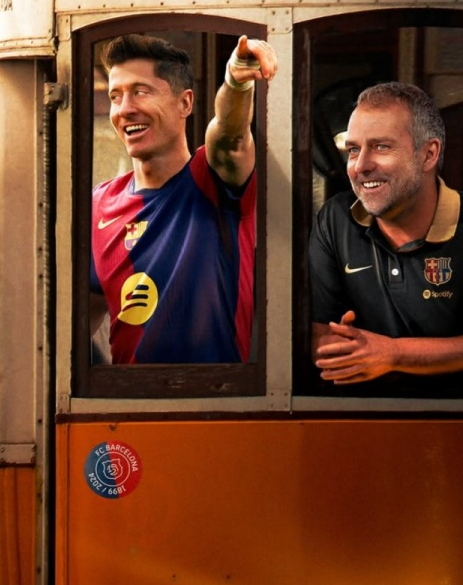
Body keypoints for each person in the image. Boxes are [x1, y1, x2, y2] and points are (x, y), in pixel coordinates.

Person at [90, 32, 277, 363]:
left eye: (140, 92)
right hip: (126, 395)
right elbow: (78, 324)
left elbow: (230, 134)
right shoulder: (99, 205)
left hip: (219, 393)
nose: (125, 109)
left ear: (185, 103)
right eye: (116, 96)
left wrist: (236, 82)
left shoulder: (212, 177)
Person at [310, 82, 463, 395]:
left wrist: (392, 354)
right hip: (361, 416)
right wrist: (337, 346)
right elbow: (318, 335)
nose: (360, 166)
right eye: (353, 150)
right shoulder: (335, 219)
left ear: (428, 154)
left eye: (381, 147)